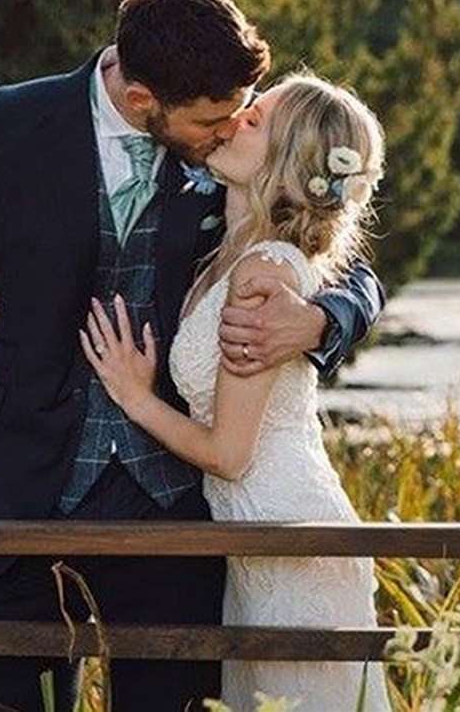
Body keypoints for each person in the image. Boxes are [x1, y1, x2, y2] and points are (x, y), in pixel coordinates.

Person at [0, 0, 386, 712]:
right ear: (144, 100)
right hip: (18, 493)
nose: (230, 128)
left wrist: (321, 321)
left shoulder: (230, 140)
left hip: (176, 510)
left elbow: (347, 259)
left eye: (241, 113)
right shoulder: (1, 129)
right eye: (213, 120)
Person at [82, 70, 393, 712]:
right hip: (252, 538)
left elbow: (230, 454)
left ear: (287, 160)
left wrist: (136, 396)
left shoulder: (263, 271)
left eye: (259, 120)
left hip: (288, 536)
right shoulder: (235, 251)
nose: (239, 117)